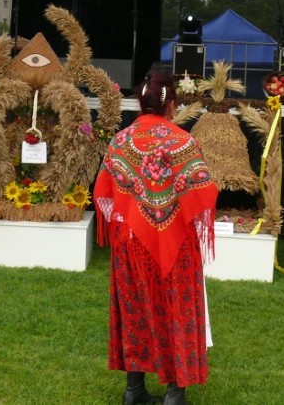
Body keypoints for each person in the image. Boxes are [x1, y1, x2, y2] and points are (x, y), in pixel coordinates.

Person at [93, 67, 218, 405]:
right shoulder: (183, 142)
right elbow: (204, 190)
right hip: (176, 244)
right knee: (178, 311)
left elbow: (104, 194)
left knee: (136, 310)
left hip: (132, 243)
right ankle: (174, 395)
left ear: (140, 102)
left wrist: (134, 214)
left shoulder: (121, 140)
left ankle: (134, 391)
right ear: (171, 104)